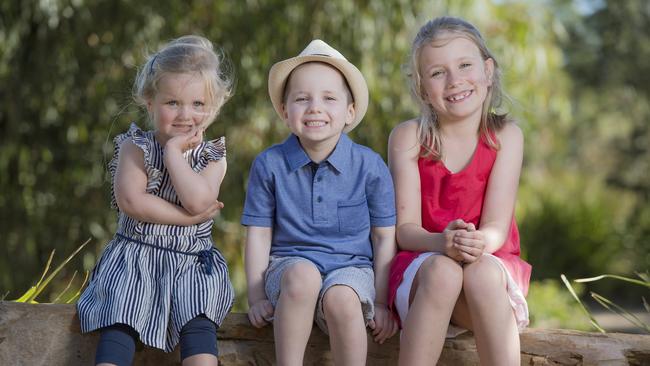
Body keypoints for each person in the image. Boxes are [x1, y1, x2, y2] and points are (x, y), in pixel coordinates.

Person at [77, 35, 235, 366]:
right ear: (150, 102)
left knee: (198, 319)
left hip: (191, 265)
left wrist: (175, 154)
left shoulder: (213, 156)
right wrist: (188, 221)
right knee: (120, 317)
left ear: (213, 107)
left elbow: (198, 200)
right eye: (172, 103)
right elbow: (132, 201)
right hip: (136, 260)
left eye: (197, 104)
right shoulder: (137, 147)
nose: (184, 115)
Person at [242, 39, 398, 366]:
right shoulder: (269, 164)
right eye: (302, 99)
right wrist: (256, 297)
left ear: (349, 112)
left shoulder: (370, 166)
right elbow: (258, 234)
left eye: (329, 98)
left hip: (352, 270)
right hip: (289, 269)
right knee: (303, 276)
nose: (315, 107)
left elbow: (384, 238)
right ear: (285, 111)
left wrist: (383, 303)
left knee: (342, 299)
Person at [387, 17, 532, 366]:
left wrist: (478, 243)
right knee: (444, 272)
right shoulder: (408, 138)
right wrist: (442, 244)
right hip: (426, 271)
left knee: (480, 273)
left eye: (465, 65)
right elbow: (405, 231)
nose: (455, 81)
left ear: (488, 70)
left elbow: (497, 225)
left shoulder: (506, 137)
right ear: (422, 89)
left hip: (488, 268)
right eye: (437, 73)